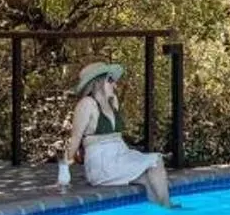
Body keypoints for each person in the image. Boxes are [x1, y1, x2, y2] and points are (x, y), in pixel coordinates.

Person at [60, 61, 177, 207]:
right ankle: (168, 208)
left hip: (121, 154)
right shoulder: (86, 104)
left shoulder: (113, 101)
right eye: (111, 80)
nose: (115, 85)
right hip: (102, 162)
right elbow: (76, 138)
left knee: (150, 175)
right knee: (155, 162)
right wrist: (64, 168)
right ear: (98, 82)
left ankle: (162, 210)